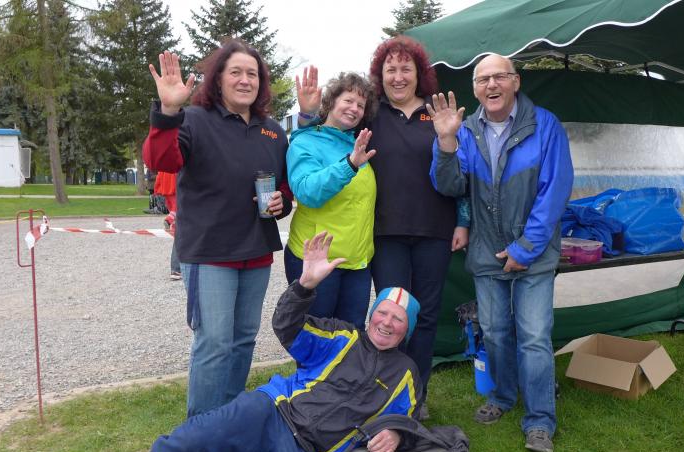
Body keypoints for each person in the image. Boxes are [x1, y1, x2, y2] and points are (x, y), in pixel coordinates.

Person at [98, 231, 422, 452]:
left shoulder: (406, 375)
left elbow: (410, 421)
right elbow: (286, 326)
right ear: (372, 314)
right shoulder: (343, 336)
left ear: (407, 329)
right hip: (273, 412)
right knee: (206, 433)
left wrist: (396, 434)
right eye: (382, 312)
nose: (386, 322)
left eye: (398, 318)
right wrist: (304, 286)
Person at [295, 39, 470, 416]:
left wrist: (463, 220)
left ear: (419, 74)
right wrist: (307, 114)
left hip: (435, 230)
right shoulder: (372, 114)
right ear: (381, 74)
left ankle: (416, 394)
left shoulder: (437, 112)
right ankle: (385, 392)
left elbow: (462, 172)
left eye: (406, 69)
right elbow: (330, 131)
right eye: (391, 69)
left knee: (425, 315)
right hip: (386, 234)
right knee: (389, 316)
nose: (398, 76)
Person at [428, 54, 574, 452]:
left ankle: (540, 420)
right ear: (475, 89)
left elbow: (555, 190)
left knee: (533, 337)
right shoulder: (466, 130)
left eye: (499, 77)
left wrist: (525, 248)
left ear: (516, 82)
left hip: (533, 252)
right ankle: (504, 395)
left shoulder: (545, 125)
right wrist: (445, 142)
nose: (491, 85)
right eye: (483, 80)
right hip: (485, 252)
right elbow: (449, 186)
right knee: (493, 331)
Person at [142, 41, 294, 418]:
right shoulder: (194, 120)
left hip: (256, 252)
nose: (245, 80)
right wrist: (169, 110)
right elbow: (161, 160)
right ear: (218, 79)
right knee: (214, 343)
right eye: (235, 72)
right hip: (209, 253)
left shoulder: (273, 132)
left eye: (252, 74)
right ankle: (201, 431)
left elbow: (284, 186)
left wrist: (282, 201)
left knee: (243, 341)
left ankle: (227, 421)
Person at [284, 72, 377, 328]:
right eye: (348, 100)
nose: (354, 108)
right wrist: (349, 165)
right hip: (317, 261)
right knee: (315, 335)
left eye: (361, 105)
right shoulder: (306, 141)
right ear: (331, 102)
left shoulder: (357, 143)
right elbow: (307, 192)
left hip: (356, 262)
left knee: (350, 336)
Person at [154, 170, 181, 280]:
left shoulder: (165, 164)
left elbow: (159, 175)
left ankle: (171, 219)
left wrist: (157, 189)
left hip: (165, 189)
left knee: (176, 213)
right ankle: (170, 219)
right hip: (176, 188)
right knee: (181, 226)